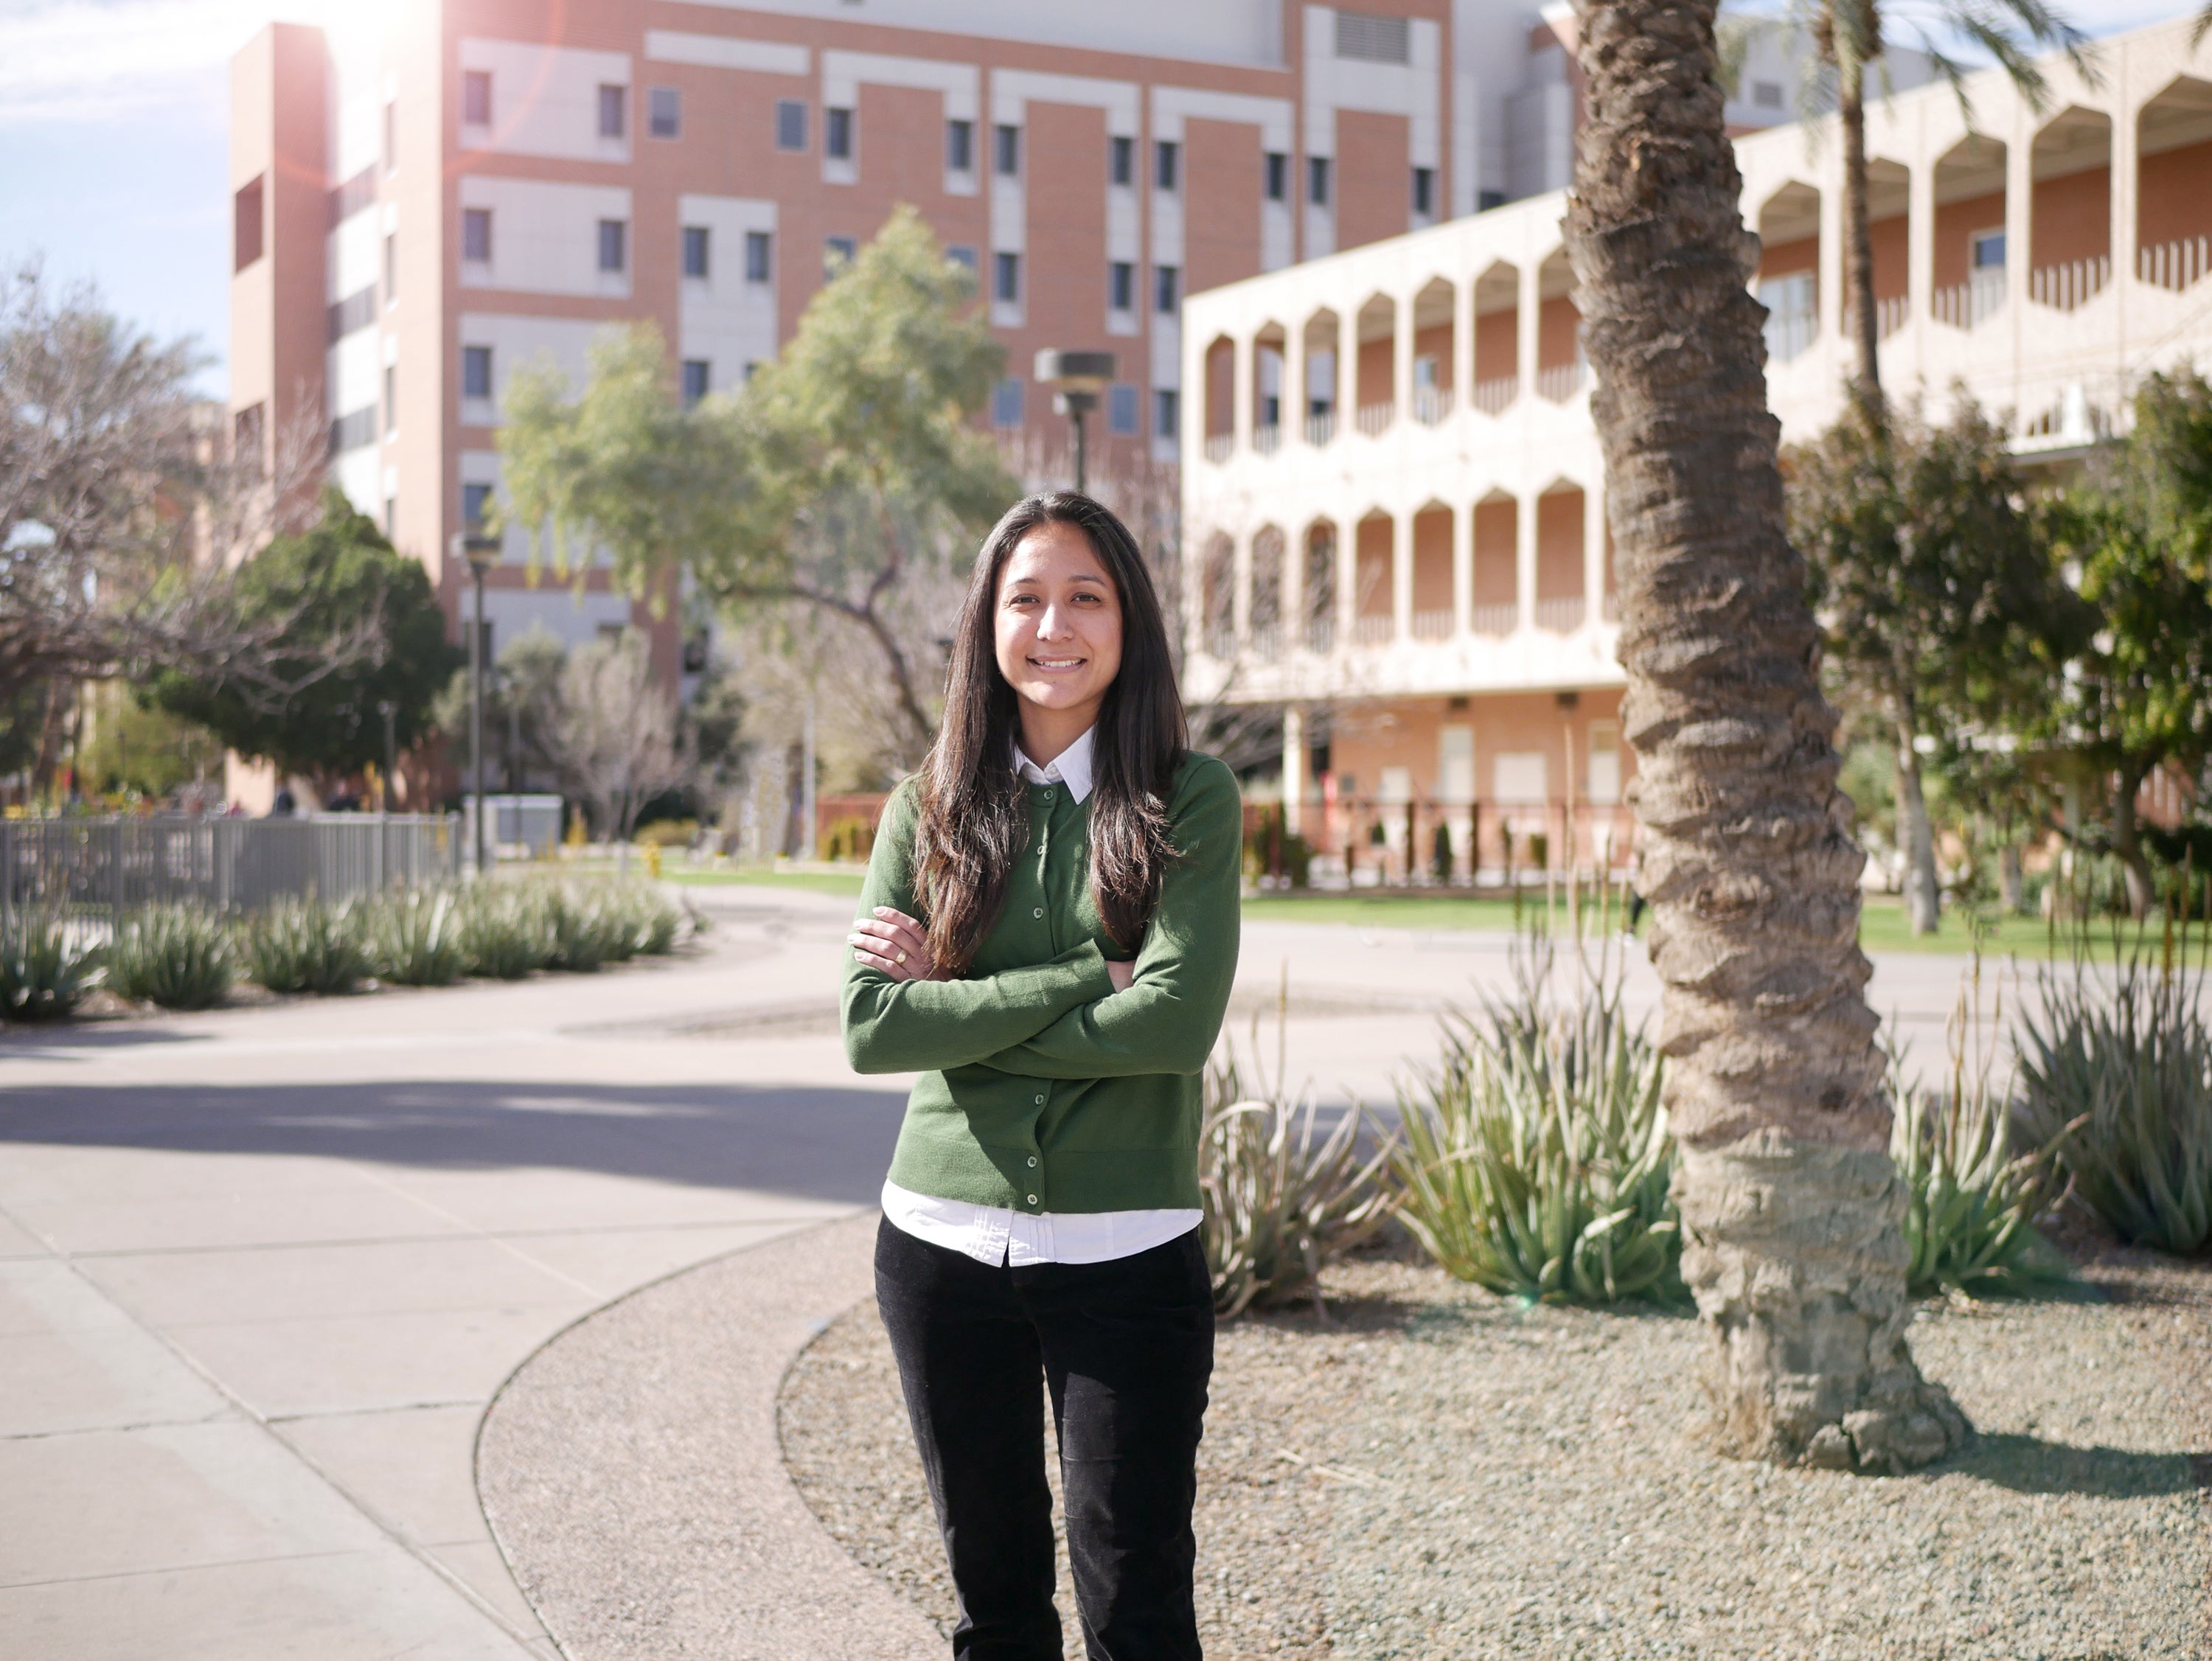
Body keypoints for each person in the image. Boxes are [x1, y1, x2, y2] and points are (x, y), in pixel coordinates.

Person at [842, 491, 1242, 1661]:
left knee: (1139, 1606)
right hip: (938, 1251)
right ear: (987, 622)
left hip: (1128, 1258)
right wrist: (1081, 976)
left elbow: (1172, 1026)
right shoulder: (927, 805)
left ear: (1129, 621)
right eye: (1026, 597)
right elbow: (873, 1030)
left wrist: (952, 1015)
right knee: (997, 1607)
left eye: (1085, 596)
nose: (1053, 624)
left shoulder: (1190, 797)